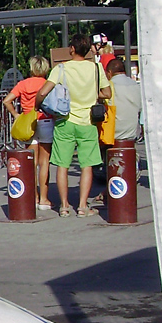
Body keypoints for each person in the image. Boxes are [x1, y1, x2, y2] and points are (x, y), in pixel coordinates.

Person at [35, 33, 112, 217]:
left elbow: (44, 91)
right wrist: (93, 95)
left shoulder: (61, 69)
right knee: (86, 165)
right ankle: (83, 206)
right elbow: (107, 93)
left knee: (62, 165)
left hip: (65, 121)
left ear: (72, 49)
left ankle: (63, 206)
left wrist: (37, 104)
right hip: (88, 122)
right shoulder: (96, 68)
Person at [3, 55, 54, 210]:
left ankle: (34, 197)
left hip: (28, 124)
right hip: (45, 120)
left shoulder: (23, 84)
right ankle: (44, 199)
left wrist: (17, 115)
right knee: (44, 162)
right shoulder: (48, 84)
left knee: (32, 162)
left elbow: (7, 100)